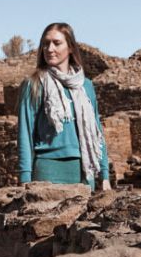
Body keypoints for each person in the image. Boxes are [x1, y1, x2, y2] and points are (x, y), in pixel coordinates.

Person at [17, 22, 111, 190]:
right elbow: (25, 133)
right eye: (45, 44)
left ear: (70, 48)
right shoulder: (34, 84)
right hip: (47, 172)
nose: (50, 48)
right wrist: (25, 176)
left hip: (84, 171)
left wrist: (104, 174)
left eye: (56, 43)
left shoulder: (85, 86)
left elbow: (97, 131)